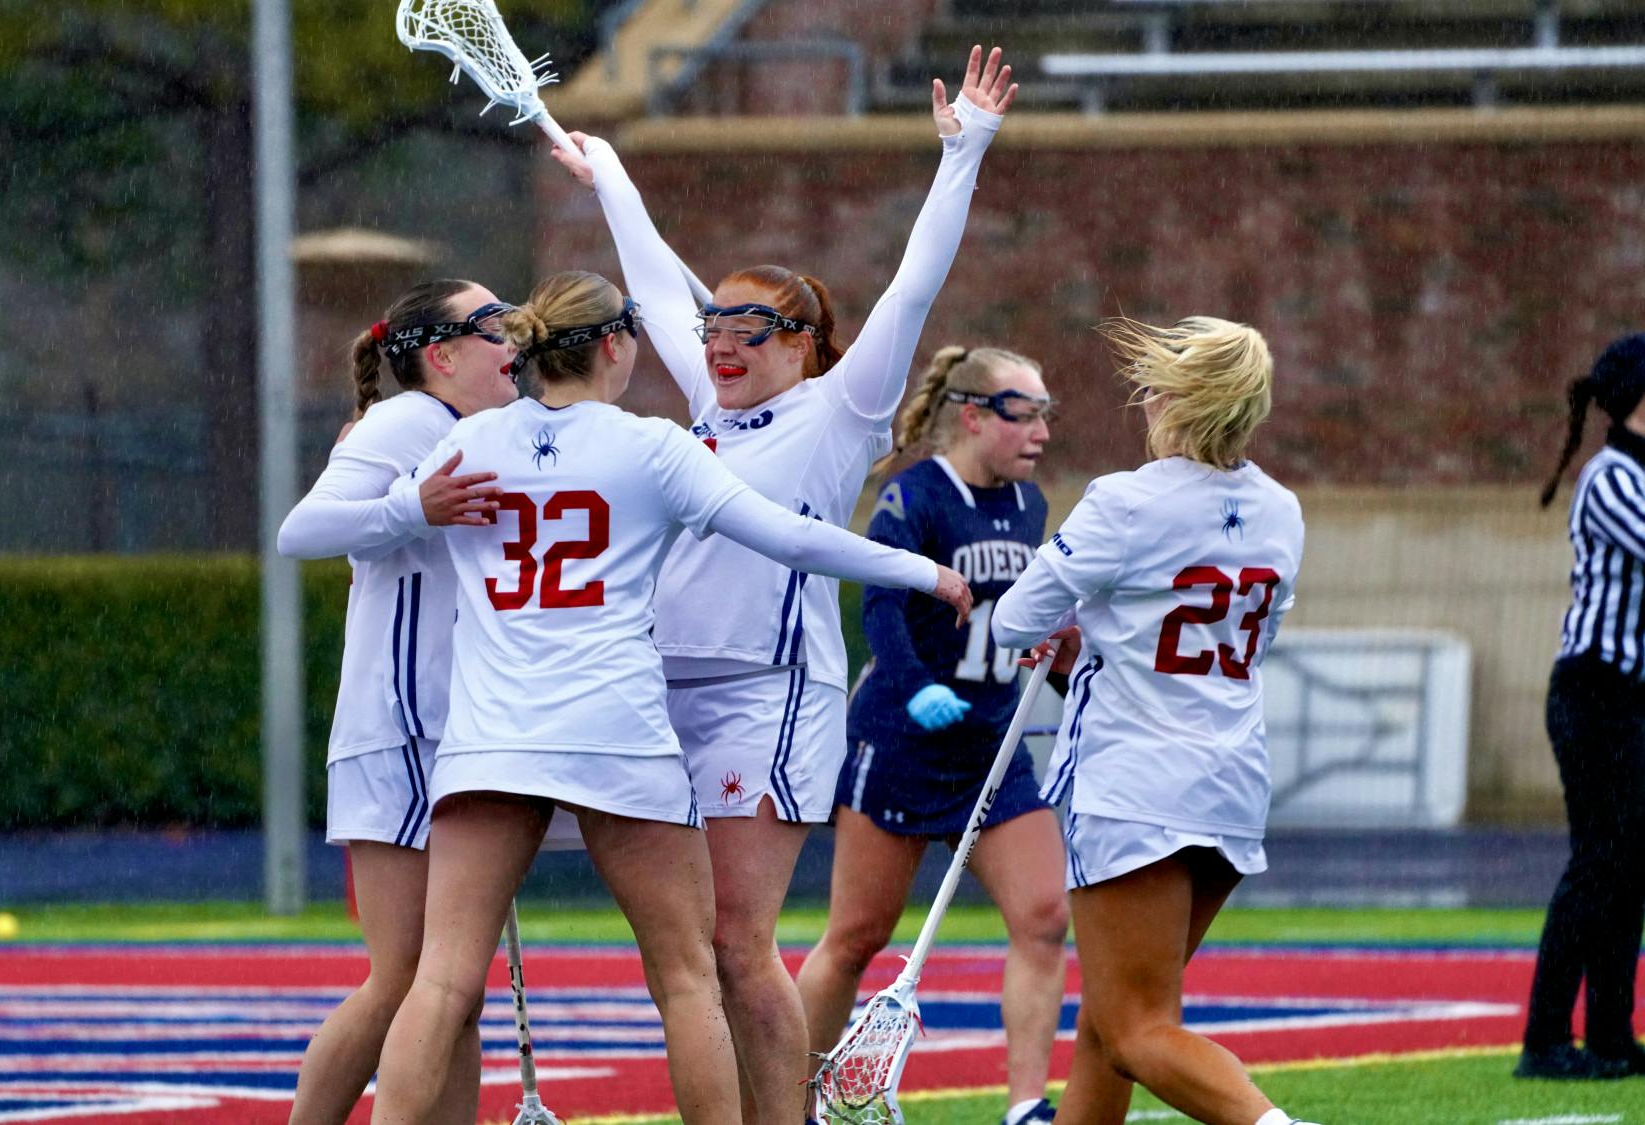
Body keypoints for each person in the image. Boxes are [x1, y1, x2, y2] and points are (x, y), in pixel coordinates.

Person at [328, 270, 970, 1124]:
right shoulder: (652, 445)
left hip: (489, 739)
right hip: (615, 732)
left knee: (440, 977)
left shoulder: (463, 445)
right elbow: (788, 534)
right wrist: (921, 570)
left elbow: (351, 538)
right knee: (686, 976)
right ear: (614, 345)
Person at [546, 46, 1016, 1122]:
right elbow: (655, 272)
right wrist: (610, 169)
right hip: (666, 693)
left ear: (804, 345)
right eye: (715, 328)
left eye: (751, 331)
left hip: (769, 693)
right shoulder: (709, 413)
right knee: (693, 953)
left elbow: (913, 285)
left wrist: (964, 155)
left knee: (734, 945)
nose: (720, 345)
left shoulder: (838, 409)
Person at [993, 317, 1319, 1125]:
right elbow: (1248, 644)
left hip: (1138, 785)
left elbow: (1013, 620)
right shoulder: (1282, 510)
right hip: (1232, 785)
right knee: (1109, 1029)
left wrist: (1079, 625)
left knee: (1139, 1030)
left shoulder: (1126, 500)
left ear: (1178, 401)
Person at [796, 345, 1069, 1125]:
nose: (1042, 431)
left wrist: (1062, 661)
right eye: (1027, 413)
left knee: (1045, 915)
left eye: (1048, 412)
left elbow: (1030, 621)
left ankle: (1024, 1106)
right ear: (974, 414)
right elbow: (881, 604)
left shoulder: (1029, 506)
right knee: (855, 935)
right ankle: (793, 1100)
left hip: (991, 744)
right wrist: (917, 690)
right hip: (904, 742)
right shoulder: (913, 494)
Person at [274, 278, 523, 1125]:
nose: (513, 341)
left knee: (451, 988)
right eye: (493, 326)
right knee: (408, 979)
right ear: (440, 354)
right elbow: (300, 529)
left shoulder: (478, 428)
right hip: (401, 731)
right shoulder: (409, 421)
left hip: (452, 733)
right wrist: (410, 505)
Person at [1517, 332, 1645, 1081]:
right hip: (1595, 691)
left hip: (1629, 696)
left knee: (1629, 867)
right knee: (1599, 861)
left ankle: (1607, 1033)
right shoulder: (1613, 477)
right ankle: (1544, 1038)